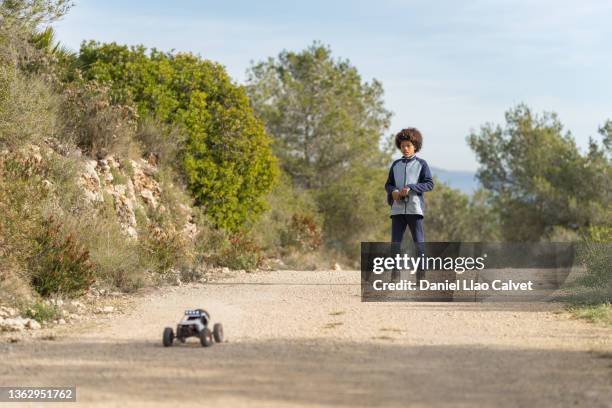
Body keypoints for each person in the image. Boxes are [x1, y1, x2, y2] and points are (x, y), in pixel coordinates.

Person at [384, 128, 434, 281]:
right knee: (395, 243)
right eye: (402, 145)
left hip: (414, 209)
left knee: (418, 243)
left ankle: (421, 276)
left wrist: (411, 187)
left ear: (415, 146)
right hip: (397, 210)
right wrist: (393, 191)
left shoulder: (422, 164)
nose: (405, 148)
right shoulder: (396, 165)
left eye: (408, 145)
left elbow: (429, 184)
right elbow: (388, 184)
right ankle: (395, 276)